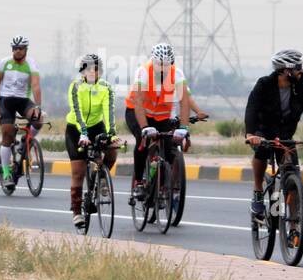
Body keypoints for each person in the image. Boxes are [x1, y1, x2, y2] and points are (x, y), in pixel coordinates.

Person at [243, 49, 303, 217]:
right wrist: (250, 134)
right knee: (262, 151)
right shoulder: (264, 84)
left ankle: (293, 225)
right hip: (263, 131)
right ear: (286, 70)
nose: (302, 70)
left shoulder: (301, 87)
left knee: (291, 174)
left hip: (285, 135)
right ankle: (257, 191)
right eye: (298, 67)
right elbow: (252, 109)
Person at [125, 43, 208, 203]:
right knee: (143, 139)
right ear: (153, 61)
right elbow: (138, 101)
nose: (163, 69)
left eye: (166, 65)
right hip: (137, 113)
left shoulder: (176, 73)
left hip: (161, 116)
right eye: (159, 65)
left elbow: (184, 100)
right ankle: (139, 182)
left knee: (170, 146)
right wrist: (144, 127)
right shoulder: (143, 72)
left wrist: (184, 127)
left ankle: (163, 186)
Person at [65, 53, 119, 230]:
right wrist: (83, 134)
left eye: (96, 69)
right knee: (78, 171)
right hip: (75, 129)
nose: (92, 72)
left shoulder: (106, 88)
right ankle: (76, 212)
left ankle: (100, 179)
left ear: (100, 71)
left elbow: (108, 112)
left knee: (112, 150)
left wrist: (112, 133)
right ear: (82, 71)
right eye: (88, 68)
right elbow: (77, 111)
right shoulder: (75, 86)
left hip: (97, 126)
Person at [0, 35, 42, 189]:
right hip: (6, 101)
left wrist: (38, 107)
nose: (17, 51)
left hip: (23, 101)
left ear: (26, 50)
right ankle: (6, 172)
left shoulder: (31, 64)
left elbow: (36, 86)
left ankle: (25, 142)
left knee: (38, 120)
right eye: (14, 48)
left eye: (20, 49)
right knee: (7, 134)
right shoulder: (4, 63)